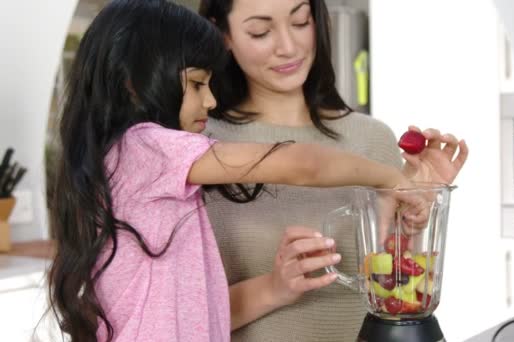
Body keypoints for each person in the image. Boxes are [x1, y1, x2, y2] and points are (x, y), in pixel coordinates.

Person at [46, 1, 419, 342]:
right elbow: (303, 164)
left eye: (301, 21)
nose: (209, 100)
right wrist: (389, 176)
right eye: (195, 84)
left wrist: (413, 193)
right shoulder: (148, 147)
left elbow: (200, 312)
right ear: (132, 83)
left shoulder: (145, 163)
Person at [197, 0, 469, 340]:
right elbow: (174, 316)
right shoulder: (202, 149)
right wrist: (273, 288)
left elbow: (393, 285)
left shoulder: (372, 139)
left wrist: (416, 204)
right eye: (261, 31)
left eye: (300, 22)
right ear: (221, 33)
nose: (289, 47)